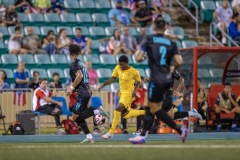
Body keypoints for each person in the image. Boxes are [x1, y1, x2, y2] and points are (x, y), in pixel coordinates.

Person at [129, 16, 188, 144]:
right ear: (166, 28)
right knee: (151, 107)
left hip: (156, 78)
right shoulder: (171, 43)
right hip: (167, 79)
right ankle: (143, 135)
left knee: (152, 108)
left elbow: (137, 58)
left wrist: (144, 54)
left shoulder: (149, 40)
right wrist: (171, 68)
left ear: (154, 27)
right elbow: (179, 61)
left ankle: (179, 130)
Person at [66, 44, 109, 143]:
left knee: (74, 117)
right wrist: (72, 88)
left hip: (82, 93)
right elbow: (83, 78)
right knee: (79, 116)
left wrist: (72, 87)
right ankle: (89, 137)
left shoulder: (74, 64)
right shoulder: (82, 64)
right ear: (79, 52)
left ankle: (98, 111)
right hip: (86, 91)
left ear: (69, 53)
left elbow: (79, 76)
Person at [99, 55, 145, 140]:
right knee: (125, 115)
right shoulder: (118, 68)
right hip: (122, 94)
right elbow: (112, 79)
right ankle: (147, 112)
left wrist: (135, 91)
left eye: (122, 64)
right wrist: (103, 85)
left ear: (127, 63)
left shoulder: (134, 72)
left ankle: (110, 132)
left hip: (129, 94)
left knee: (117, 109)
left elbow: (138, 82)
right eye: (119, 64)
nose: (121, 66)